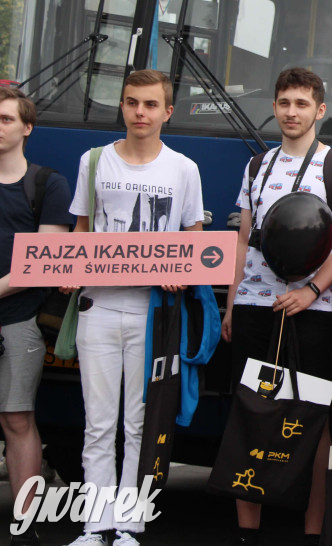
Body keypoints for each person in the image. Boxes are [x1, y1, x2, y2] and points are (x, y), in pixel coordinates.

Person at [222, 68, 332, 546]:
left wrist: (312, 291)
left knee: (311, 418)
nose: (291, 112)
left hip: (312, 313)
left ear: (319, 110)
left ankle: (311, 533)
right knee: (249, 414)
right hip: (253, 308)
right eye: (284, 102)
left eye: (302, 104)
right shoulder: (257, 165)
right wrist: (231, 302)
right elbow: (244, 237)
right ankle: (248, 533)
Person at [63, 70, 204, 546]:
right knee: (98, 422)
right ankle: (95, 524)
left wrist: (179, 271)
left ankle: (127, 524)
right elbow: (82, 229)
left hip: (153, 312)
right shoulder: (94, 160)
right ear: (121, 108)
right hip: (97, 307)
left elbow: (194, 242)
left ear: (167, 112)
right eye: (131, 103)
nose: (139, 112)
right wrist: (70, 270)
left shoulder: (184, 169)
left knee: (140, 423)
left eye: (149, 104)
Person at [0, 86, 73, 546]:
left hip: (19, 320)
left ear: (28, 128)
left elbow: (46, 260)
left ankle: (25, 521)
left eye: (7, 119)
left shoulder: (48, 184)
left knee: (17, 419)